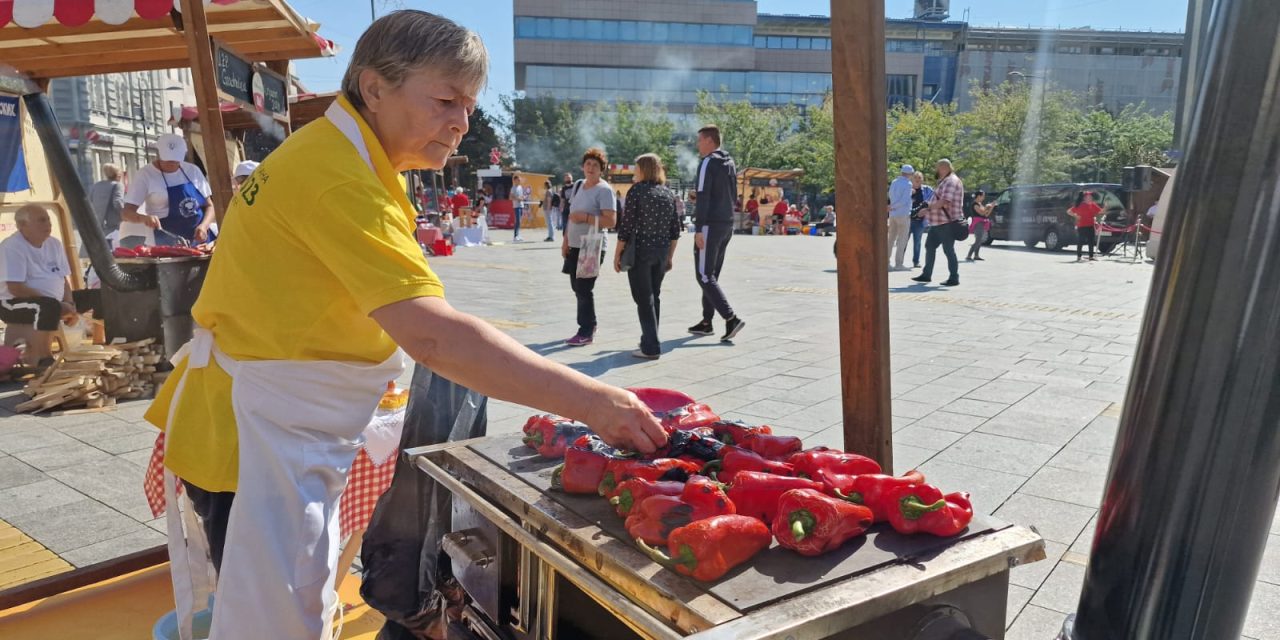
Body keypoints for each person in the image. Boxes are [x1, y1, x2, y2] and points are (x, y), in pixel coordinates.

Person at [142, 12, 666, 640]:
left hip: (280, 419)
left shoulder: (354, 160)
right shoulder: (338, 177)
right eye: (446, 99)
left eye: (469, 105)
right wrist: (591, 399)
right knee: (271, 625)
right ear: (374, 87)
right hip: (250, 436)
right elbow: (434, 336)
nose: (462, 123)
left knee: (288, 607)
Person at [614, 153, 681, 359]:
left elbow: (626, 227)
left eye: (636, 168)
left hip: (641, 251)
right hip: (661, 251)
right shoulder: (668, 194)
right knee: (654, 296)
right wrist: (670, 256)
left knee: (643, 298)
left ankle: (651, 346)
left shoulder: (637, 191)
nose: (634, 172)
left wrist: (617, 254)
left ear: (643, 169)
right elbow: (675, 231)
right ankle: (650, 338)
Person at [687, 124, 746, 342]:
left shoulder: (707, 163)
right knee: (712, 274)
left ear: (709, 141)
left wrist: (699, 228)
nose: (697, 144)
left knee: (704, 275)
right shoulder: (729, 162)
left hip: (710, 225)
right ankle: (706, 322)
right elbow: (729, 194)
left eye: (700, 140)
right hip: (726, 224)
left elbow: (703, 193)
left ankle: (731, 318)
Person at [0, 204, 77, 367]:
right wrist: (59, 305)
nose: (48, 224)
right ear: (23, 226)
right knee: (49, 307)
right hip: (11, 304)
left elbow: (63, 280)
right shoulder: (12, 246)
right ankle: (42, 357)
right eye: (42, 220)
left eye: (48, 219)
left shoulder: (54, 244)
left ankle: (115, 344)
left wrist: (70, 304)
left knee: (98, 295)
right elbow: (16, 288)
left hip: (53, 300)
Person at [561, 148, 616, 346]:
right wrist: (566, 240)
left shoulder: (604, 190)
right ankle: (590, 324)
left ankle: (585, 331)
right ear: (583, 167)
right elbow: (570, 216)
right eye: (588, 164)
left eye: (595, 165)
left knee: (584, 288)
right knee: (577, 287)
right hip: (574, 244)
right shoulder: (577, 185)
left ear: (602, 169)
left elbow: (610, 221)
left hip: (592, 245)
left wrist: (585, 217)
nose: (591, 168)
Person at [121, 133, 215, 246]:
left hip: (200, 239)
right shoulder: (145, 175)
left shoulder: (193, 171)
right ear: (158, 154)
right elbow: (126, 213)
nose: (172, 163)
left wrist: (204, 226)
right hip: (165, 240)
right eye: (168, 159)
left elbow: (209, 205)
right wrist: (143, 218)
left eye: (176, 160)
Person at [912, 159, 964, 286]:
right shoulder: (945, 181)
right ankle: (926, 274)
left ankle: (954, 277)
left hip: (946, 222)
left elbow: (945, 202)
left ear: (943, 168)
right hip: (938, 222)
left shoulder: (951, 181)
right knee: (930, 247)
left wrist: (927, 208)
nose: (936, 171)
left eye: (937, 168)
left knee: (948, 249)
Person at [887, 164, 914, 270]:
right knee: (902, 239)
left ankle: (886, 262)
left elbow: (890, 195)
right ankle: (898, 264)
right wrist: (894, 206)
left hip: (893, 214)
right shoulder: (908, 184)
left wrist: (891, 207)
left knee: (890, 239)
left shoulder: (894, 182)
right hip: (903, 213)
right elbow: (904, 200)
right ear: (909, 174)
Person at [88, 163, 124, 235]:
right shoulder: (118, 185)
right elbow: (117, 202)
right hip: (113, 223)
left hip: (99, 222)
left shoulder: (96, 185)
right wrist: (125, 214)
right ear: (118, 174)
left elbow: (89, 201)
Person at [1068, 190, 1103, 262]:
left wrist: (1105, 208)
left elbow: (1100, 211)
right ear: (1084, 198)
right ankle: (1079, 257)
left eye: (1091, 196)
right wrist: (1076, 216)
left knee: (1091, 241)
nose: (1090, 198)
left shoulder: (1093, 204)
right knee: (1081, 241)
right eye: (1088, 196)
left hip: (1090, 225)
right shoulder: (1080, 205)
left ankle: (1091, 256)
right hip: (1082, 226)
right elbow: (1069, 211)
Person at [909, 171, 934, 269]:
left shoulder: (927, 190)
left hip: (920, 221)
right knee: (903, 241)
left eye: (920, 178)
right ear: (912, 179)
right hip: (908, 219)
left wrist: (927, 210)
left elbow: (934, 200)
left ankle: (916, 261)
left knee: (917, 242)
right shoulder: (907, 189)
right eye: (916, 178)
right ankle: (900, 261)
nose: (918, 180)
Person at [966, 190, 993, 261]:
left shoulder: (980, 204)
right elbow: (982, 213)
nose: (984, 197)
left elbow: (986, 214)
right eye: (983, 196)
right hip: (977, 223)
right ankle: (969, 255)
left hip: (982, 223)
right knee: (978, 240)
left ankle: (976, 255)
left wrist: (991, 207)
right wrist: (987, 207)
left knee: (980, 239)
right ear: (978, 196)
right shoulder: (975, 204)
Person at [510, 173, 528, 242]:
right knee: (517, 221)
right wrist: (518, 199)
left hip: (521, 205)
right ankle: (515, 236)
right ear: (515, 180)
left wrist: (523, 197)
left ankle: (518, 235)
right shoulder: (513, 188)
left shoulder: (520, 187)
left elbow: (522, 195)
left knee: (519, 221)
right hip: (516, 206)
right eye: (518, 180)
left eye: (520, 180)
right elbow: (511, 197)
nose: (519, 181)